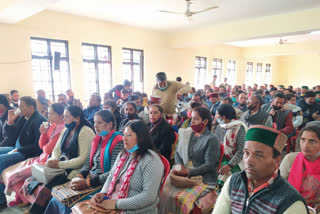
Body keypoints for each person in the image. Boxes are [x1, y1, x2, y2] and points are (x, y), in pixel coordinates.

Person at [72, 120, 164, 214]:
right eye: (124, 134)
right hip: (113, 201)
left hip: (137, 210)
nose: (124, 138)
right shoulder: (124, 154)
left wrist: (115, 204)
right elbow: (111, 176)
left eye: (129, 135)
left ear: (141, 138)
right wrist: (103, 193)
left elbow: (148, 197)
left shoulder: (151, 160)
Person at [213, 125, 309, 214]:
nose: (248, 161)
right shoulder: (234, 182)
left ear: (277, 161)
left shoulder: (290, 203)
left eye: (259, 155)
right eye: (246, 153)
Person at [44, 110, 124, 214]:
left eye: (99, 123)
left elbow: (114, 174)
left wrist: (87, 182)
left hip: (103, 183)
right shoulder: (97, 139)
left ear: (110, 124)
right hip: (91, 177)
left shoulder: (118, 142)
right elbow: (87, 163)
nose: (95, 126)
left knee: (68, 203)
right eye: (94, 122)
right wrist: (80, 175)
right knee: (55, 198)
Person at [19, 105, 95, 214]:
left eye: (66, 117)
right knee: (34, 181)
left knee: (48, 189)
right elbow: (56, 150)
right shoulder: (66, 130)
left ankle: (34, 212)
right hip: (62, 166)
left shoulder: (85, 131)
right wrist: (53, 159)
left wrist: (58, 164)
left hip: (77, 170)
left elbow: (83, 159)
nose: (64, 120)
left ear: (77, 118)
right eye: (63, 117)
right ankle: (34, 210)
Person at [1, 103, 65, 207]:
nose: (49, 116)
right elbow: (41, 146)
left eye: (52, 114)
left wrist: (45, 144)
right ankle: (22, 198)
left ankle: (23, 200)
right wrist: (43, 134)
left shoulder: (62, 128)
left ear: (61, 115)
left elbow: (48, 149)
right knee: (11, 172)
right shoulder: (52, 125)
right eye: (48, 113)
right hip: (41, 156)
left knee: (15, 175)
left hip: (48, 160)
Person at [160, 107, 220, 213]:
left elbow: (209, 164)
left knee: (183, 199)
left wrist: (189, 172)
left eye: (196, 119)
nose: (192, 122)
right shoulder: (187, 134)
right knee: (164, 191)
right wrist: (180, 167)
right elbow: (178, 153)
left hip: (204, 178)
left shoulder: (211, 139)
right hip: (183, 174)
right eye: (191, 118)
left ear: (205, 121)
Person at [0, 96, 47, 208]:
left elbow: (38, 146)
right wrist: (10, 122)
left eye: (22, 107)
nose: (19, 109)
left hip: (26, 152)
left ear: (31, 107)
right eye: (19, 106)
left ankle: (1, 200)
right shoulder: (23, 117)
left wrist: (19, 149)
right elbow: (12, 138)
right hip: (16, 147)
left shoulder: (39, 120)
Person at [280, 125, 320, 211]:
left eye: (312, 141)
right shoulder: (290, 159)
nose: (306, 145)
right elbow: (277, 187)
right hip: (287, 206)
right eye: (303, 139)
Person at [214, 104, 248, 188]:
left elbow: (241, 150)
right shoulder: (220, 127)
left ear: (223, 117)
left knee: (224, 178)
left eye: (217, 114)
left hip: (237, 162)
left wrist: (230, 165)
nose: (215, 117)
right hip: (223, 159)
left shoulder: (239, 128)